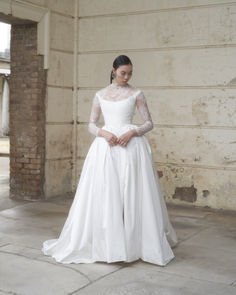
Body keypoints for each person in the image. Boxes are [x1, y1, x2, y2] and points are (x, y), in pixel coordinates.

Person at [42, 55, 178, 266]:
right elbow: (91, 125)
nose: (127, 76)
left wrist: (133, 132)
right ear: (113, 70)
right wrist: (104, 134)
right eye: (123, 72)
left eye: (130, 73)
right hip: (106, 149)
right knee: (106, 193)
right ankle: (108, 242)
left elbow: (149, 123)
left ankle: (135, 242)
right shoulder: (100, 95)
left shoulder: (137, 94)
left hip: (130, 148)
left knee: (132, 193)